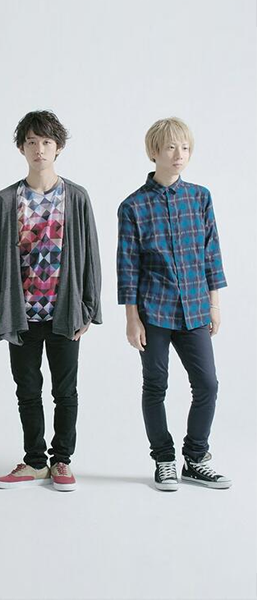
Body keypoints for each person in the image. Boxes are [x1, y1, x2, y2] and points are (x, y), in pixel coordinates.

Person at [0, 110, 102, 492]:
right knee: (27, 391)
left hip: (64, 312)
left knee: (65, 392)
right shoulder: (6, 199)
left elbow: (91, 255)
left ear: (58, 147)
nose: (39, 149)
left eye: (46, 142)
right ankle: (35, 462)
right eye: (31, 142)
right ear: (21, 148)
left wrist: (89, 308)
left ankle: (61, 460)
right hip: (22, 314)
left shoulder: (76, 197)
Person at [117, 117, 231, 491]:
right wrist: (132, 319)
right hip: (154, 311)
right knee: (156, 385)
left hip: (195, 308)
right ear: (154, 152)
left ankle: (195, 459)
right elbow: (128, 266)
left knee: (208, 384)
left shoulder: (200, 197)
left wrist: (214, 303)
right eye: (170, 147)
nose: (179, 154)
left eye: (184, 147)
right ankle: (164, 460)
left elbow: (211, 252)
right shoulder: (133, 206)